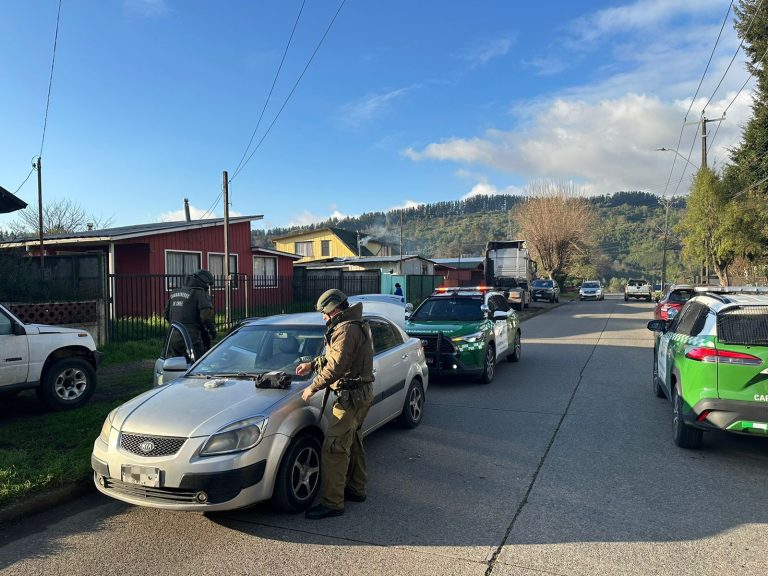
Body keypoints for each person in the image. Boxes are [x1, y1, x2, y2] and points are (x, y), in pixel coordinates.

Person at [296, 288, 374, 519]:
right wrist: (312, 364)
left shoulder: (346, 329)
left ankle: (332, 502)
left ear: (334, 309)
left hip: (350, 397)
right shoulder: (353, 324)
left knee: (334, 448)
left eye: (324, 313)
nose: (323, 317)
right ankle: (356, 489)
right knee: (353, 442)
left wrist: (313, 385)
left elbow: (337, 366)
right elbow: (337, 357)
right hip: (360, 394)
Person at [164, 269, 217, 361]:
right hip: (190, 339)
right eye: (208, 284)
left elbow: (166, 314)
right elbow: (206, 317)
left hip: (172, 337)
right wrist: (212, 330)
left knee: (176, 366)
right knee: (197, 366)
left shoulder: (175, 293)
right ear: (203, 282)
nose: (208, 287)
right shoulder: (200, 293)